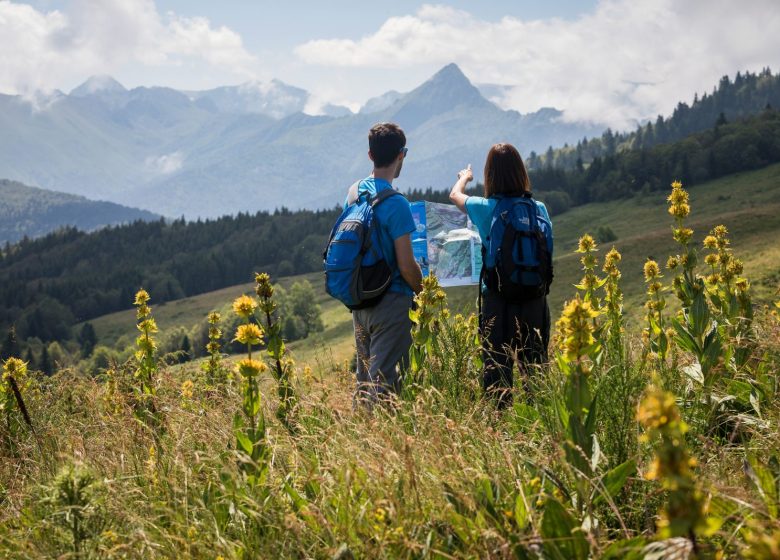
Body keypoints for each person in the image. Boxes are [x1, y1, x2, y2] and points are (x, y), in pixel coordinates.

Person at [449, 143, 552, 407]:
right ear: (521, 172)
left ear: (490, 175)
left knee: (497, 374)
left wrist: (465, 177)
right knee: (537, 375)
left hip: (498, 300)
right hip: (535, 300)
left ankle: (500, 434)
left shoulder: (486, 207)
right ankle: (541, 431)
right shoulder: (539, 209)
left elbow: (454, 195)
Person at [348, 122, 423, 406]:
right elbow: (406, 265)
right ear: (402, 154)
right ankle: (380, 443)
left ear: (370, 155)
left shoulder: (354, 192)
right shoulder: (397, 204)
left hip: (360, 299)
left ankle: (357, 438)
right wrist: (424, 291)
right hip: (391, 301)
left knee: (364, 379)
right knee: (384, 385)